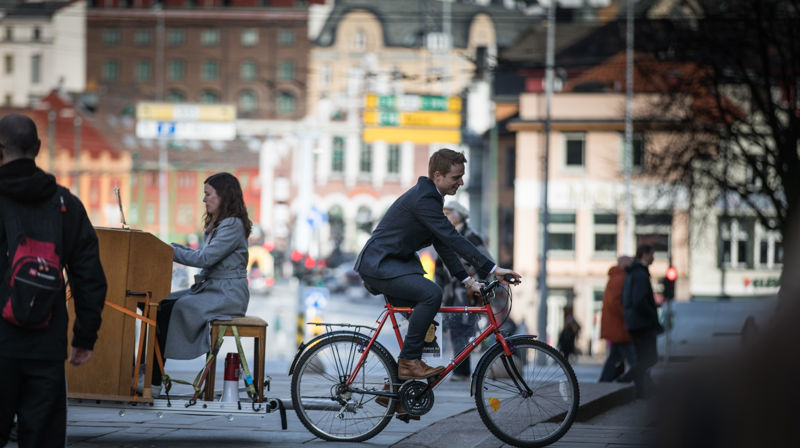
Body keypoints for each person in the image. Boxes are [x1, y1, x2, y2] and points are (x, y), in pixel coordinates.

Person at [354, 148, 520, 380]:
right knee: (432, 293)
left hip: (389, 264)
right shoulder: (425, 198)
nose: (461, 182)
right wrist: (493, 269)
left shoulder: (430, 197)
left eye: (462, 176)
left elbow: (443, 244)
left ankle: (397, 390)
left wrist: (469, 281)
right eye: (456, 177)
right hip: (379, 265)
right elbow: (453, 237)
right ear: (438, 176)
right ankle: (409, 364)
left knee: (421, 327)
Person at [0, 114, 107, 446]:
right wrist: (85, 336)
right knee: (43, 438)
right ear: (38, 148)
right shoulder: (65, 204)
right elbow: (89, 274)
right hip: (46, 343)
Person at [151, 172, 251, 393]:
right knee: (160, 304)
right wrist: (172, 247)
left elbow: (205, 259)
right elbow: (205, 255)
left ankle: (153, 380)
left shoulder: (232, 224)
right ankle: (149, 373)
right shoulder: (224, 223)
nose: (204, 199)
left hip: (227, 294)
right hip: (216, 289)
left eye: (208, 194)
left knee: (171, 309)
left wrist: (168, 251)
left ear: (223, 196)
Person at [433, 200, 491, 380]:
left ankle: (461, 371)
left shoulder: (472, 237)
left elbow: (485, 263)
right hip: (451, 295)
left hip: (468, 296)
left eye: (448, 213)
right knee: (455, 332)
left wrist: (475, 280)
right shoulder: (447, 236)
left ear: (458, 216)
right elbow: (439, 269)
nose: (445, 217)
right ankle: (461, 369)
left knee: (464, 333)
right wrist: (438, 291)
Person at [621, 244, 662, 398]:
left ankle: (640, 391)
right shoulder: (640, 274)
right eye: (652, 254)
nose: (653, 258)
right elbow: (639, 300)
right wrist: (652, 315)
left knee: (642, 358)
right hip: (642, 323)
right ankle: (626, 379)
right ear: (644, 254)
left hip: (635, 323)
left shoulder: (634, 272)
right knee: (650, 358)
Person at [598, 256, 637, 382]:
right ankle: (644, 383)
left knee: (614, 358)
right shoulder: (620, 278)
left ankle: (604, 383)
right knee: (634, 359)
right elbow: (616, 303)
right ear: (624, 264)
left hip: (617, 327)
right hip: (620, 327)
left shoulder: (616, 277)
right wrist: (629, 317)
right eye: (630, 262)